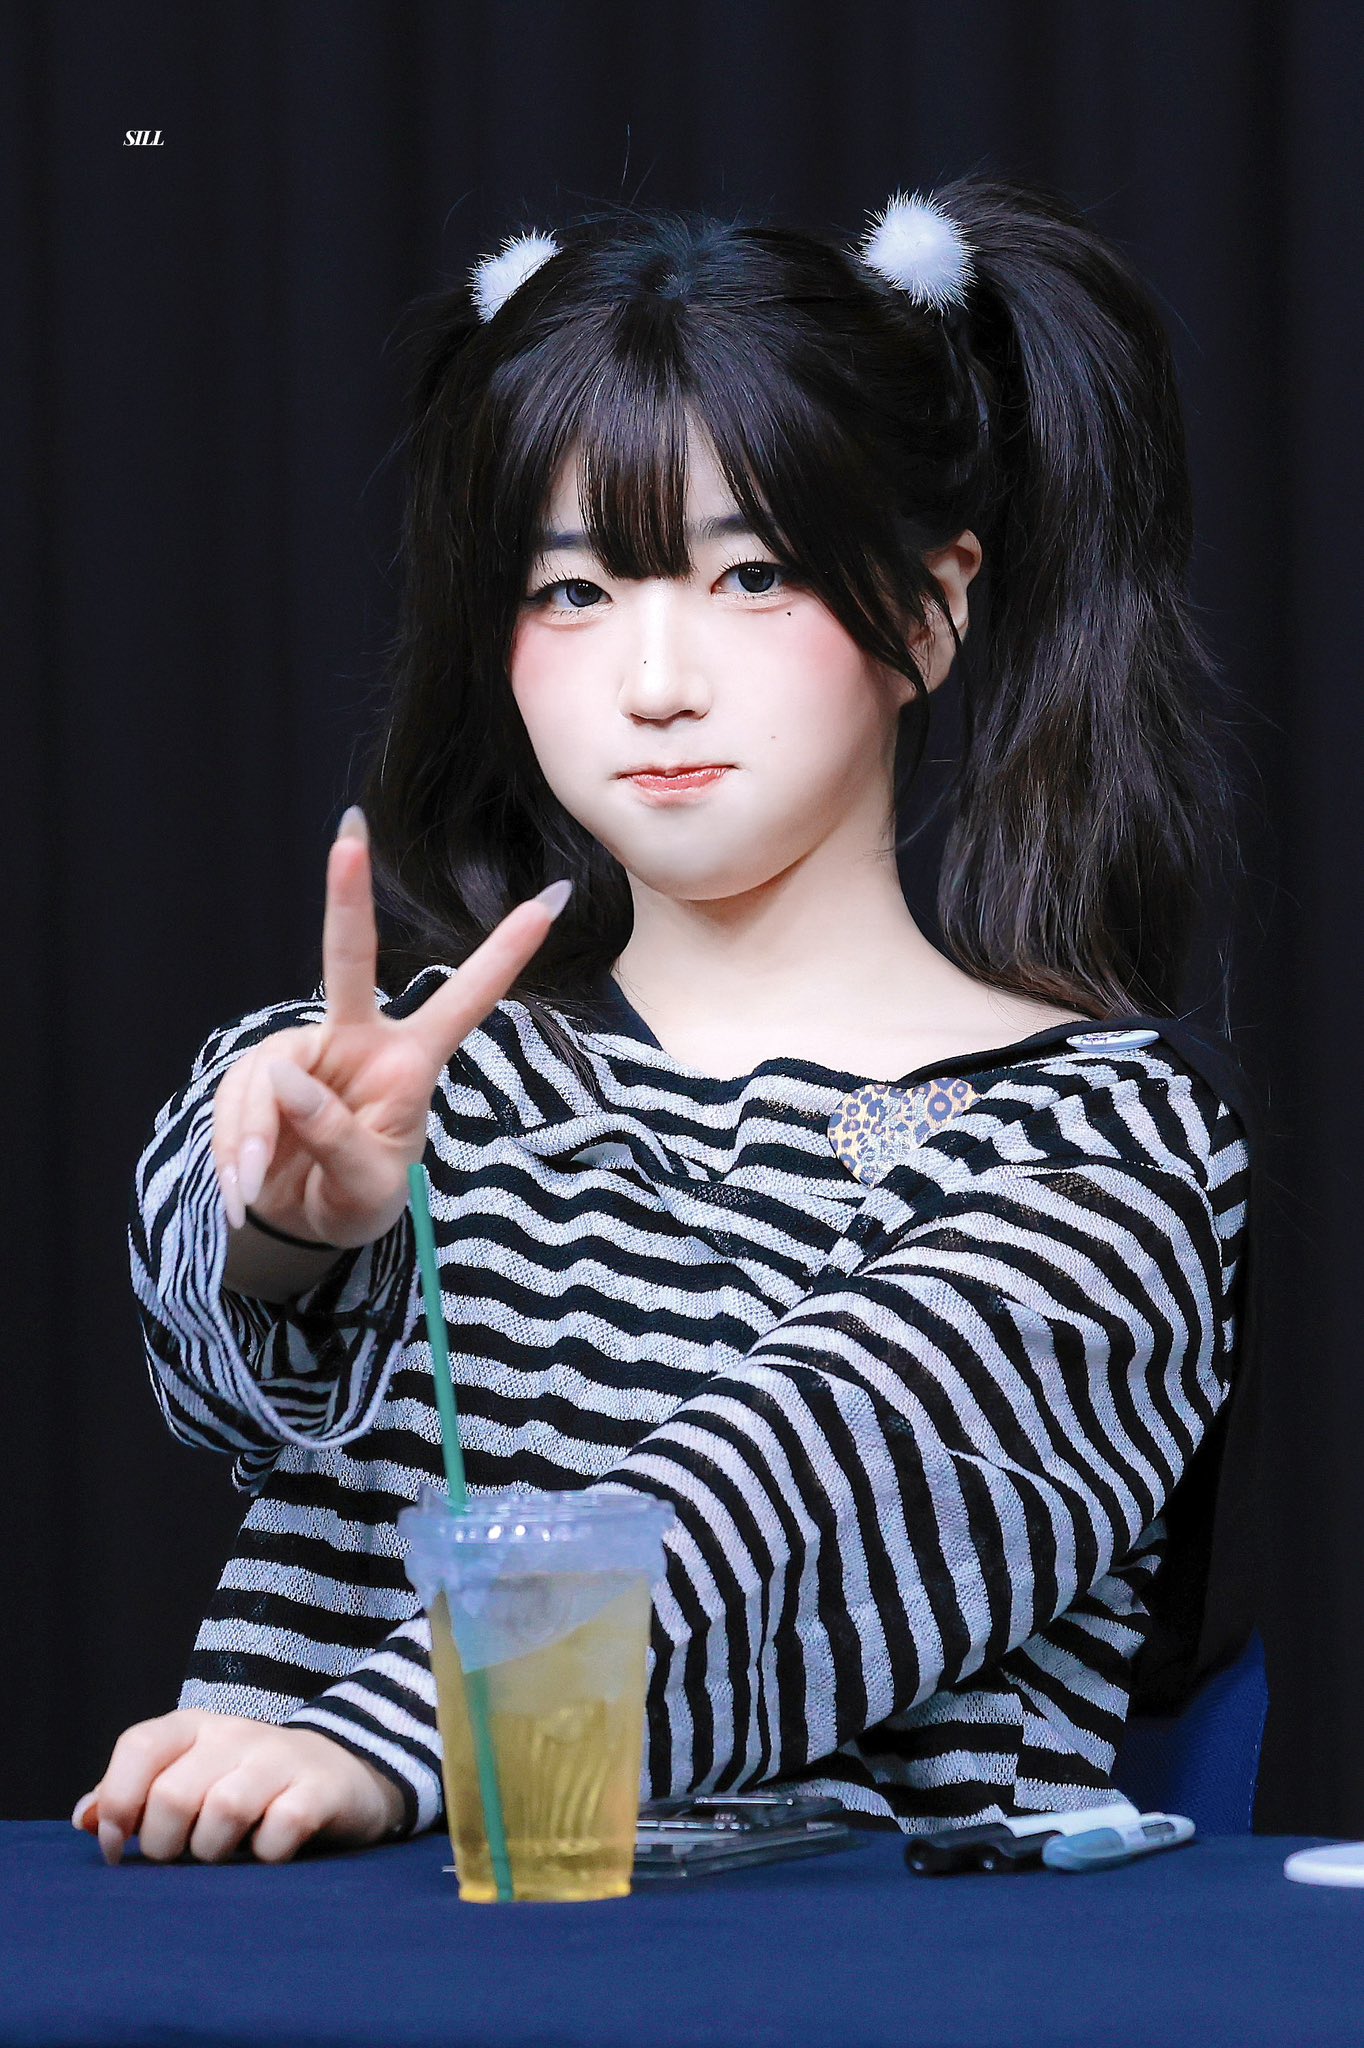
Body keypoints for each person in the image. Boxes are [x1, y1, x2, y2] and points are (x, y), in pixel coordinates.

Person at [78, 179, 1254, 1867]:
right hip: (311, 1957)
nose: (654, 682)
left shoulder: (1105, 1145)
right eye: (571, 593)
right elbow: (210, 1367)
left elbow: (800, 1511)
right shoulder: (411, 1076)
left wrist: (375, 1743)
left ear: (931, 609)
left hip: (844, 1978)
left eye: (751, 574)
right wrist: (284, 1229)